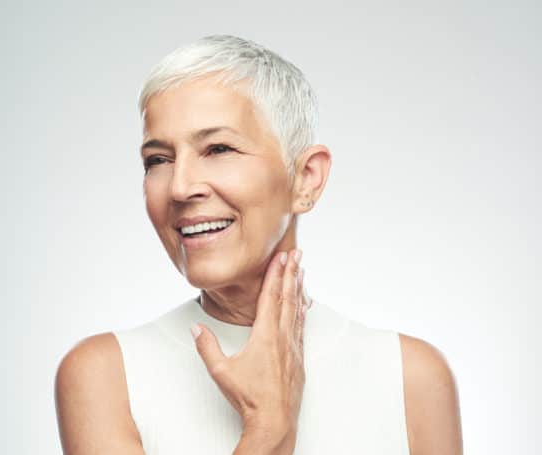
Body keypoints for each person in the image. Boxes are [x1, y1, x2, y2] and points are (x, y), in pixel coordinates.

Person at [55, 35, 462, 454]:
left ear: (305, 179)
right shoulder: (105, 375)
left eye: (218, 148)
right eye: (158, 159)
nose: (179, 187)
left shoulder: (410, 376)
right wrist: (268, 428)